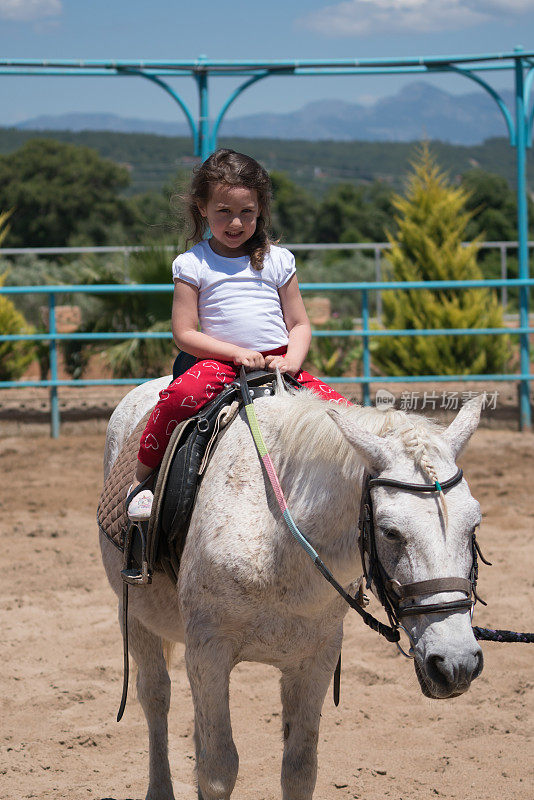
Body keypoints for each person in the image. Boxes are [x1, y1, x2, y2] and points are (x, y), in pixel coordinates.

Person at [127, 148, 351, 521]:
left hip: (280, 362)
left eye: (246, 212)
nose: (236, 222)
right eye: (224, 212)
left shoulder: (279, 260)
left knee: (343, 415)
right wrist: (233, 353)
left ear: (260, 209)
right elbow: (184, 333)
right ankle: (144, 480)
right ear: (202, 208)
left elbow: (299, 323)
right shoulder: (193, 264)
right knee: (180, 396)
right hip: (219, 363)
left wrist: (292, 360)